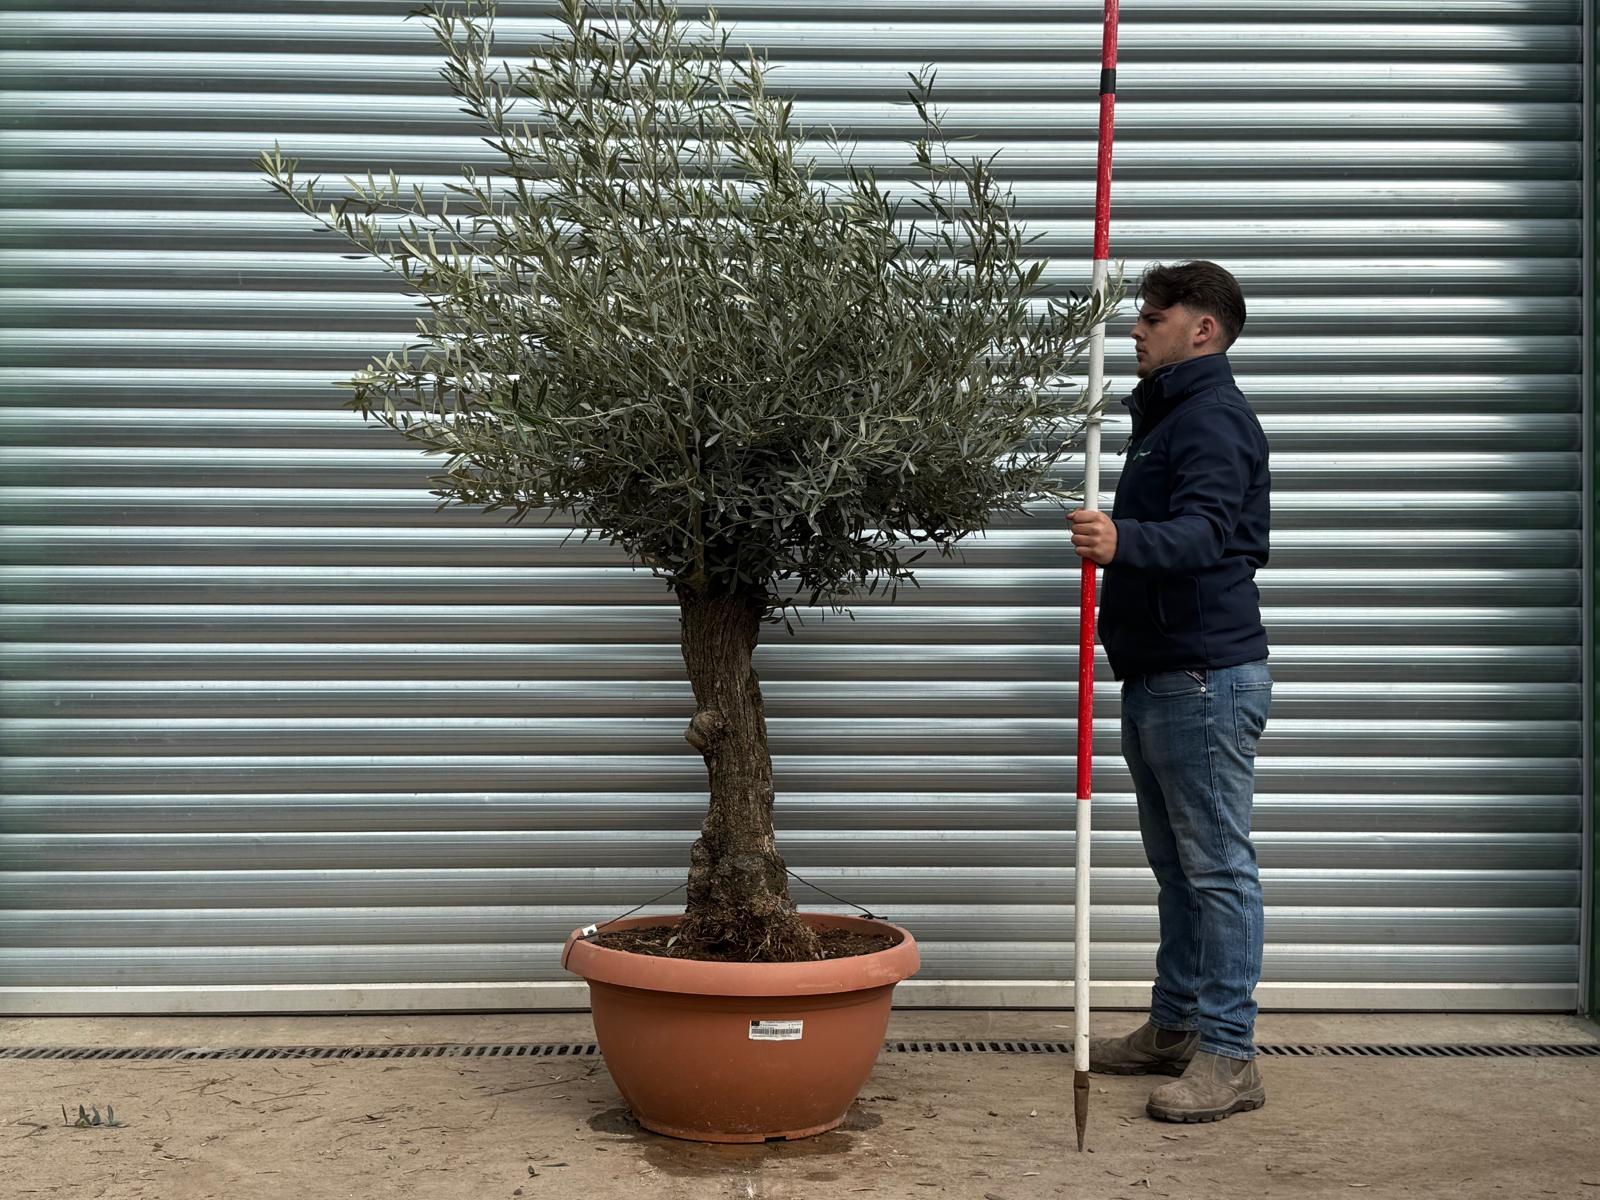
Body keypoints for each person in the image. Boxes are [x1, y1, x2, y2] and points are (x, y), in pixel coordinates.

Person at [1069, 260, 1272, 1123]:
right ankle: (1175, 1027)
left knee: (1218, 869)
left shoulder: (1213, 419)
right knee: (1178, 870)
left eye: (1154, 316)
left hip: (1203, 678)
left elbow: (1208, 533)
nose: (1136, 327)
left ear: (1204, 331)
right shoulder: (1168, 419)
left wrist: (1122, 540)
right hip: (1160, 675)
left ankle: (1230, 1057)